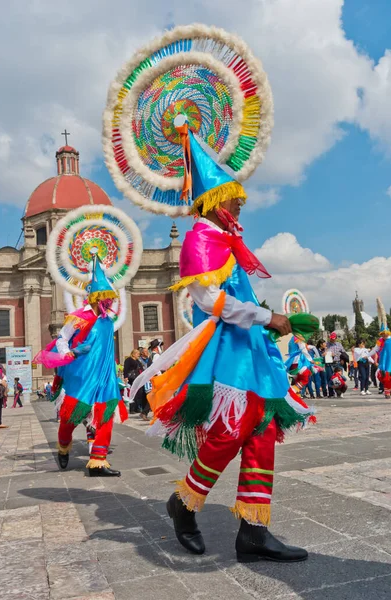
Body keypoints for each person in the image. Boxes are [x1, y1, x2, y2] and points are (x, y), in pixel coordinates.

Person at [129, 130, 316, 561]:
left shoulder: (228, 241)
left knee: (264, 429)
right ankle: (184, 501)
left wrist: (268, 325)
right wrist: (270, 317)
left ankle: (253, 531)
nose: (239, 204)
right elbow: (209, 300)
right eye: (233, 198)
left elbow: (241, 300)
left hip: (250, 351)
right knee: (230, 432)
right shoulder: (198, 239)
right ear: (213, 200)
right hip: (226, 354)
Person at [34, 255, 128, 476]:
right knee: (71, 418)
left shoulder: (108, 322)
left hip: (104, 378)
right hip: (82, 375)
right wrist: (71, 353)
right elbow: (61, 340)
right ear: (94, 297)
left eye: (110, 297)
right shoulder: (78, 318)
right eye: (105, 297)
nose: (109, 301)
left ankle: (98, 461)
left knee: (105, 417)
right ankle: (64, 445)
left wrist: (114, 375)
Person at [369, 298, 391, 399]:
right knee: (384, 376)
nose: (384, 336)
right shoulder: (380, 341)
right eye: (382, 334)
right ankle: (387, 392)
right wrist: (367, 355)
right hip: (384, 362)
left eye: (385, 334)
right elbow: (375, 349)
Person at [325, 333, 346, 397]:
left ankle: (340, 392)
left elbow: (343, 353)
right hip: (330, 363)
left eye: (333, 339)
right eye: (331, 338)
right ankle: (331, 393)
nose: (332, 340)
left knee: (339, 378)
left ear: (336, 338)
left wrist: (343, 360)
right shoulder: (326, 345)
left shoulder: (339, 345)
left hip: (338, 363)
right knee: (330, 378)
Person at [124, 349, 143, 414]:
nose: (138, 355)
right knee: (132, 392)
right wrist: (125, 377)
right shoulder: (128, 360)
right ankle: (132, 409)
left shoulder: (137, 360)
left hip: (137, 377)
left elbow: (140, 367)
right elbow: (125, 368)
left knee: (138, 393)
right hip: (131, 378)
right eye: (137, 354)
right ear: (133, 354)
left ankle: (137, 408)